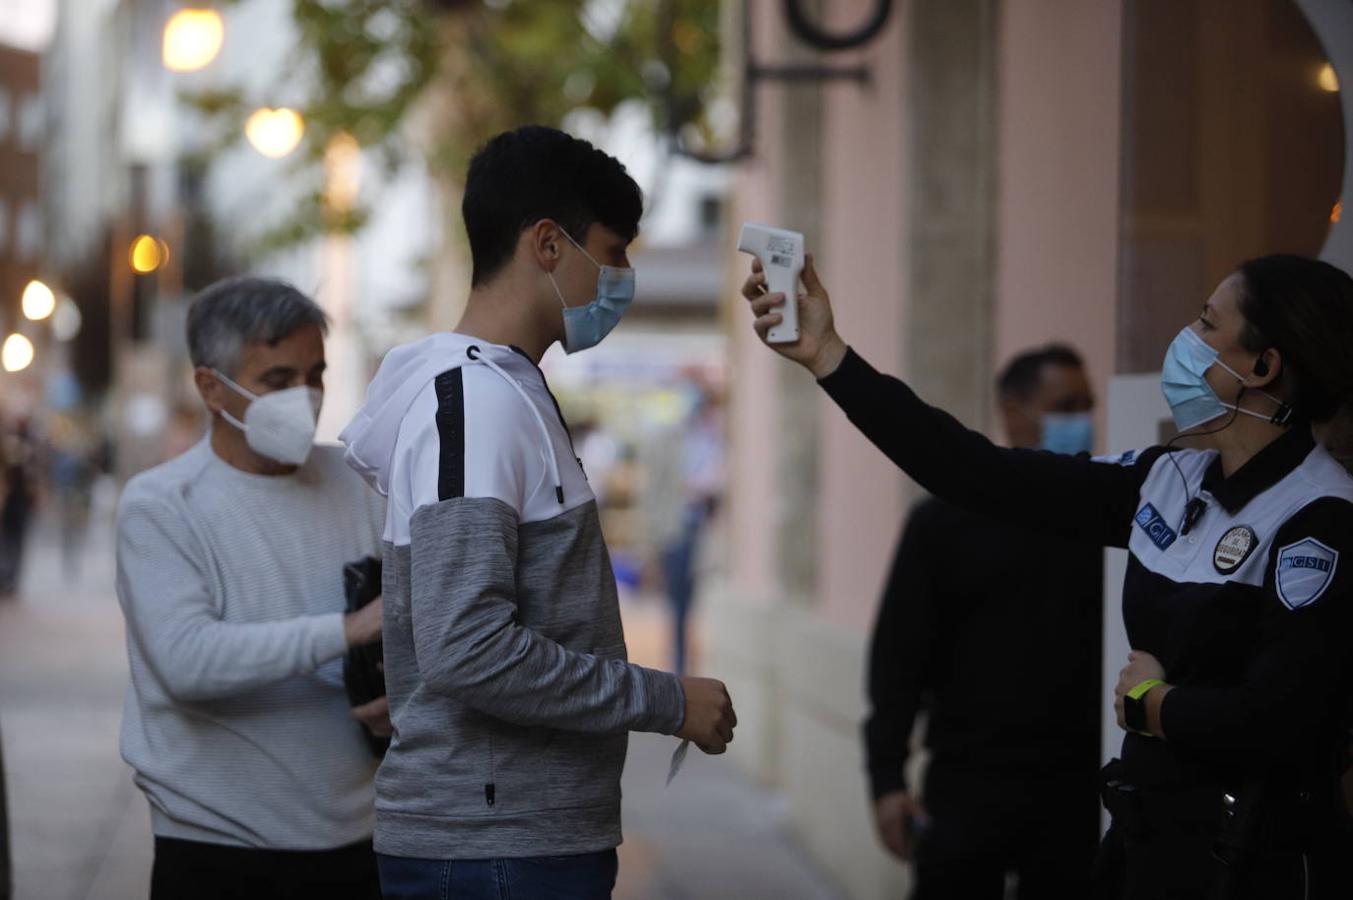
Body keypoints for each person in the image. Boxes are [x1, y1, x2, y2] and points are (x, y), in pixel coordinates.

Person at [743, 253, 1353, 898]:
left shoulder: (1320, 515)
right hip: (1148, 844)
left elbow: (1283, 720)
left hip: (1253, 862)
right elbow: (971, 470)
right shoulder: (1170, 479)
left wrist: (1155, 705)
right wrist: (829, 357)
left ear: (1263, 366)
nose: (1184, 339)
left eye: (1206, 323)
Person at [340, 125, 737, 900]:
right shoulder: (478, 403)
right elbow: (468, 647)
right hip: (494, 850)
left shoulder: (501, 390)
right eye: (614, 251)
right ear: (548, 244)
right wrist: (664, 700)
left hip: (517, 840)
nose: (622, 277)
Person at [115, 277, 389, 899]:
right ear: (212, 387)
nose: (307, 397)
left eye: (315, 375)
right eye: (277, 380)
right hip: (215, 850)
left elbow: (415, 624)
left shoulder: (359, 486)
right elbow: (187, 661)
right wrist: (350, 630)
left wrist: (406, 689)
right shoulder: (162, 506)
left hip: (362, 844)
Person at [867, 344, 1102, 899]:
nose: (1083, 420)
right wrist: (887, 781)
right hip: (968, 789)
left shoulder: (1105, 515)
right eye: (1066, 405)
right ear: (1013, 412)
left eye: (1088, 405)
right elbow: (898, 662)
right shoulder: (944, 523)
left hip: (1077, 792)